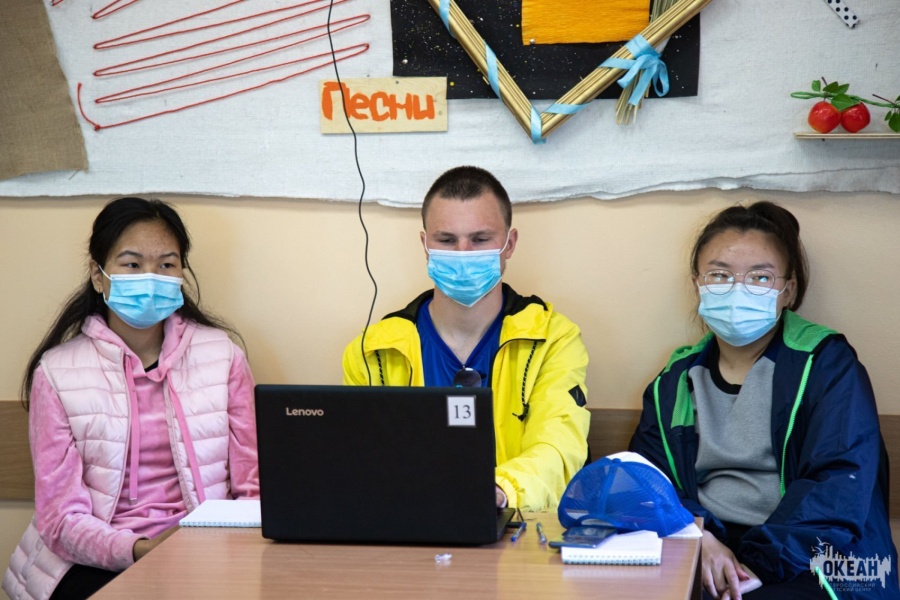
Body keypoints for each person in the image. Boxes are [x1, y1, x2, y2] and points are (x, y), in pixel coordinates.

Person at [629, 201, 898, 600]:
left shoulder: (825, 364)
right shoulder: (675, 380)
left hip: (813, 559)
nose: (738, 289)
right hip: (708, 549)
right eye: (720, 275)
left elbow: (838, 486)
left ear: (788, 291)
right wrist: (698, 538)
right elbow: (648, 479)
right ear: (697, 284)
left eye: (760, 277)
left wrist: (754, 566)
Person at [3, 197, 259, 600]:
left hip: (204, 549)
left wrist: (216, 547)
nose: (151, 277)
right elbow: (60, 519)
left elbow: (253, 487)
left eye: (166, 265)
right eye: (132, 264)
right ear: (98, 275)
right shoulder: (56, 372)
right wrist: (140, 550)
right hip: (92, 557)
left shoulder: (223, 356)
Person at [342, 166, 591, 512]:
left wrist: (499, 491)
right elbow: (361, 460)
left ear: (509, 244)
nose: (462, 254)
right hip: (408, 526)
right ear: (425, 245)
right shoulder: (373, 352)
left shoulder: (553, 340)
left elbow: (559, 447)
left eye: (480, 239)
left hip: (516, 523)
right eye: (446, 240)